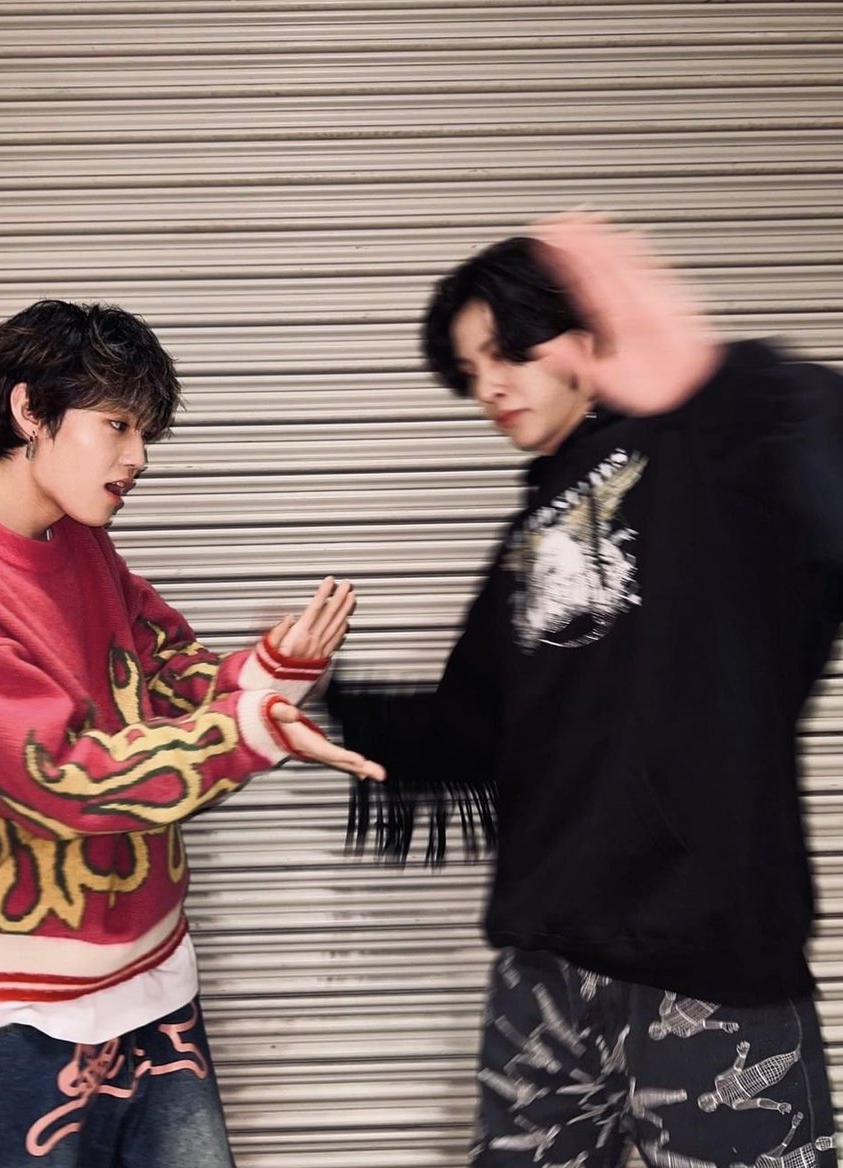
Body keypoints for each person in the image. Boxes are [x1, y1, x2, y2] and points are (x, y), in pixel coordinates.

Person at [327, 215, 841, 1165]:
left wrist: (717, 381)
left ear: (576, 334)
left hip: (704, 959)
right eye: (469, 369)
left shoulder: (701, 451)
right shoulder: (533, 522)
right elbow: (475, 727)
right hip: (548, 968)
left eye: (508, 352)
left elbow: (822, 456)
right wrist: (317, 709)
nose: (488, 386)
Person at [0, 299, 384, 1168]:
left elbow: (167, 676)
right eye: (116, 424)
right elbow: (68, 778)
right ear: (29, 411)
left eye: (143, 431)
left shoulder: (82, 548)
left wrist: (271, 671)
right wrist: (251, 727)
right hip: (4, 1020)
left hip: (150, 986)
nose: (138, 456)